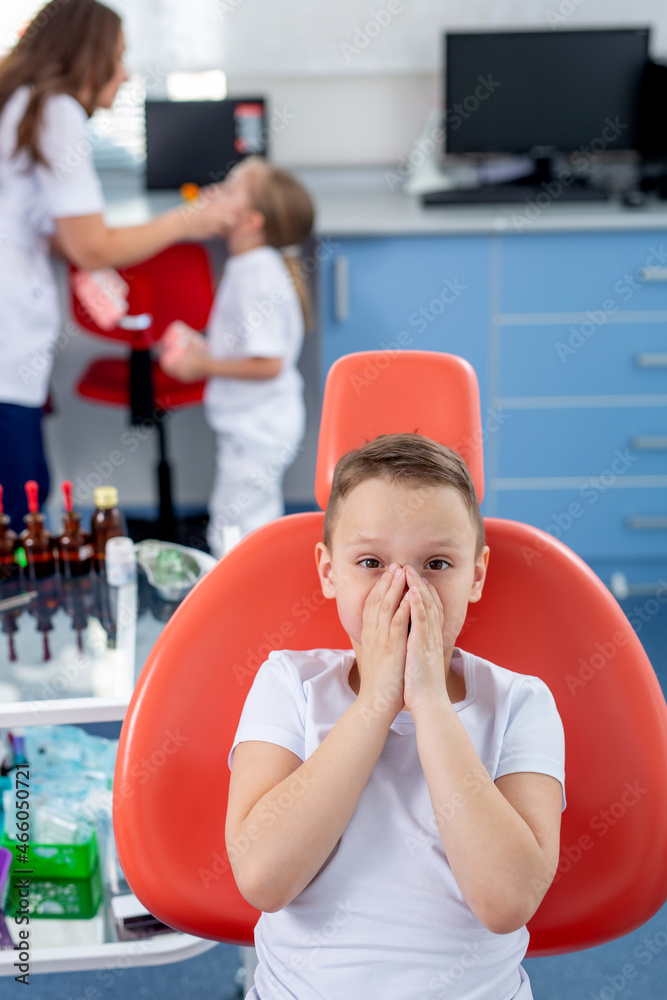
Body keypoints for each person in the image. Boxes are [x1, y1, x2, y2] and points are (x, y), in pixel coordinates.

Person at [226, 433, 566, 1000]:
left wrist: (429, 700)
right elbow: (263, 878)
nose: (404, 591)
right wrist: (376, 703)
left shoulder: (522, 703)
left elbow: (507, 902)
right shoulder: (288, 683)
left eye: (436, 563)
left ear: (476, 575)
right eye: (370, 563)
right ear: (329, 571)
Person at [0, 0, 235, 531]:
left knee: (23, 484)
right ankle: (28, 604)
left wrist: (86, 254)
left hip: (13, 322)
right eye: (120, 56)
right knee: (19, 502)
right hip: (8, 332)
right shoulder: (55, 110)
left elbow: (47, 225)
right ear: (86, 54)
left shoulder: (17, 99)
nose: (126, 73)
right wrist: (188, 221)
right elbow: (91, 245)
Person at [159, 156, 314, 558]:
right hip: (256, 425)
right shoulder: (252, 265)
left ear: (250, 220)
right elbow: (248, 346)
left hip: (257, 429)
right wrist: (204, 346)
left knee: (235, 532)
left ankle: (251, 612)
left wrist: (200, 365)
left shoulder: (255, 276)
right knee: (246, 522)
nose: (214, 194)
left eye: (228, 190)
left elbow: (269, 364)